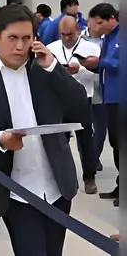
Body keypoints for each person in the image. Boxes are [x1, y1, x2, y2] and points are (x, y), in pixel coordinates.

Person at [0, 4, 89, 256]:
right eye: (13, 38)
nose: (20, 46)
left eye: (27, 38)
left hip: (56, 186)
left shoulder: (43, 67)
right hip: (15, 189)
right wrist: (0, 139)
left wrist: (53, 68)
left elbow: (80, 105)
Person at [45, 14, 101, 194]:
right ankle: (60, 176)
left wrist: (81, 69)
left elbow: (98, 76)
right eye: (63, 34)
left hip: (83, 97)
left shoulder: (91, 48)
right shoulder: (51, 48)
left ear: (78, 30)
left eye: (70, 34)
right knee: (59, 140)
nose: (66, 38)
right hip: (59, 100)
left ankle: (89, 176)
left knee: (86, 139)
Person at [81, 3, 120, 205]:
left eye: (100, 23)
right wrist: (92, 66)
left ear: (111, 18)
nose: (98, 27)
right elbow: (105, 66)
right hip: (109, 96)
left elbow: (119, 64)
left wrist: (101, 62)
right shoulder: (109, 38)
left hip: (121, 97)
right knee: (116, 144)